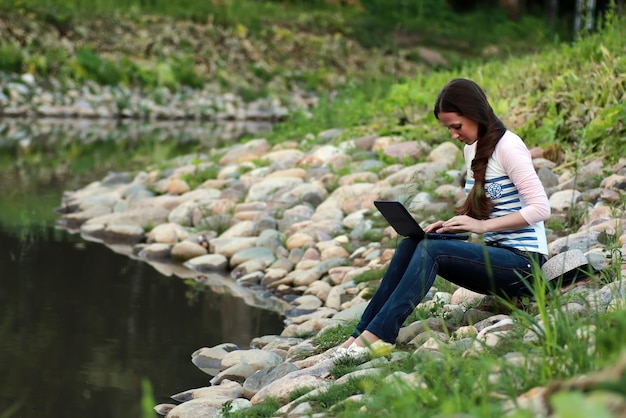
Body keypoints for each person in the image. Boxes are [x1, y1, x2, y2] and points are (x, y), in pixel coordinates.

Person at [332, 78, 550, 358]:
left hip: (523, 264)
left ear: (475, 114)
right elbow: (485, 206)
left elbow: (541, 208)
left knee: (431, 251)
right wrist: (448, 226)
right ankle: (360, 335)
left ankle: (379, 336)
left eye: (456, 126)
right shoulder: (471, 149)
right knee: (415, 242)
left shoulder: (509, 147)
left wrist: (482, 226)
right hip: (495, 258)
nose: (453, 135)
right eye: (448, 128)